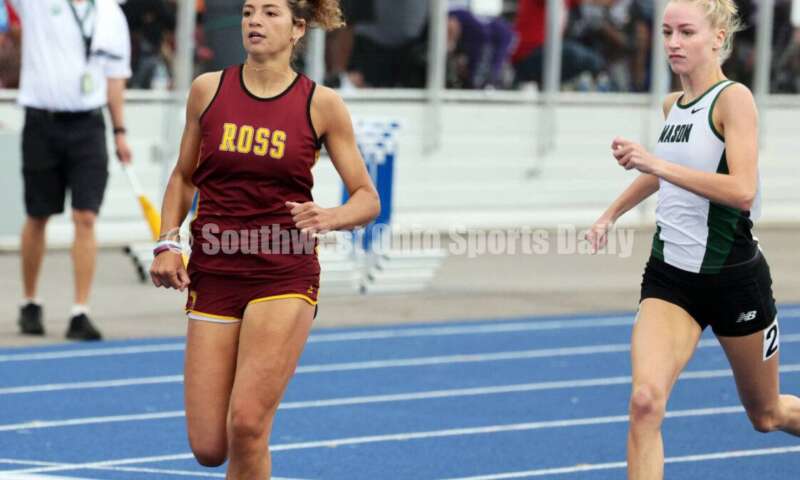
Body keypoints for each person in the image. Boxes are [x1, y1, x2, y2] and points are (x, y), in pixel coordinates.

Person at [149, 0, 379, 477]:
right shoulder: (207, 90)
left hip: (283, 271)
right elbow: (183, 176)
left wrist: (331, 216)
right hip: (214, 271)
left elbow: (366, 198)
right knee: (210, 446)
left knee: (249, 424)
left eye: (270, 13)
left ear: (298, 29)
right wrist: (168, 241)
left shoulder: (321, 104)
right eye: (249, 11)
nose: (254, 21)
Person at [587, 1, 800, 478]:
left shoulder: (734, 100)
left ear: (718, 38)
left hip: (734, 281)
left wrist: (655, 163)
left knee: (766, 415)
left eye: (685, 32)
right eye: (666, 32)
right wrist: (611, 213)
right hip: (671, 279)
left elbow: (742, 190)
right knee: (645, 401)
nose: (673, 43)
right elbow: (666, 172)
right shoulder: (672, 105)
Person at [11, 0, 133, 340]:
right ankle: (30, 302)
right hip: (41, 121)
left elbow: (115, 77)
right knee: (38, 215)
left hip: (88, 126)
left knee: (86, 217)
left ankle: (80, 311)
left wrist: (120, 131)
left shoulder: (110, 12)